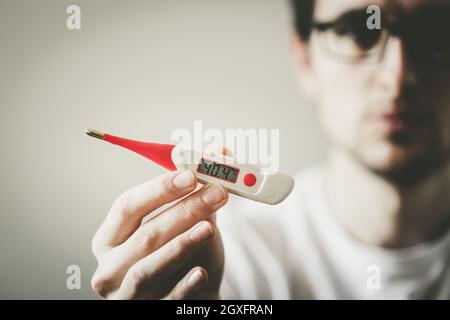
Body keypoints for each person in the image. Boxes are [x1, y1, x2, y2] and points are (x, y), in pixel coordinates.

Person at [90, 0, 450, 299]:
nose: (399, 77)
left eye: (438, 33)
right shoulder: (221, 257)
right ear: (304, 59)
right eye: (361, 30)